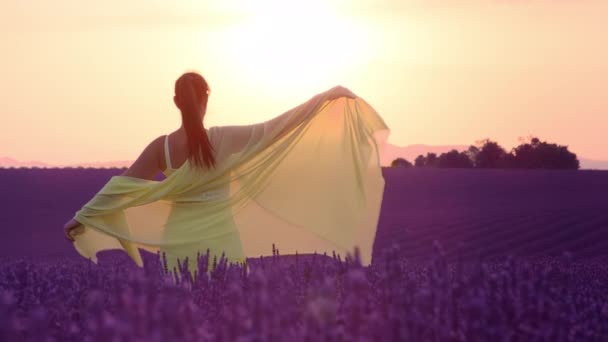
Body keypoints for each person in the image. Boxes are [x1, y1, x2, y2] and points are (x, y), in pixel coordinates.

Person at [63, 71, 389, 279]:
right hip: (222, 242)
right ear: (206, 100)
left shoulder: (160, 147)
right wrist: (324, 98)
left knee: (182, 320)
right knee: (229, 314)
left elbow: (122, 186)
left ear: (176, 102)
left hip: (178, 244)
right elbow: (275, 128)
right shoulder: (224, 139)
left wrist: (82, 217)